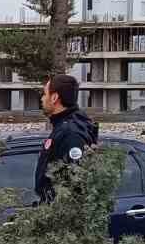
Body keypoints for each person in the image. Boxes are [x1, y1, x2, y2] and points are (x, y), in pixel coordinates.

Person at [34, 73, 99, 203]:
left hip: (61, 216)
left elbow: (75, 185)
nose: (42, 98)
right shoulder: (64, 126)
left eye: (44, 94)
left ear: (54, 97)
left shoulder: (71, 134)